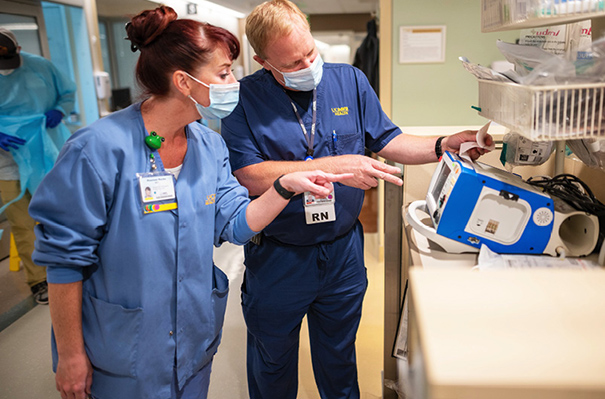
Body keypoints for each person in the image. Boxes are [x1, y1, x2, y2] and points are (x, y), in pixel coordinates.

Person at [27, 6, 351, 399]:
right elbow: (64, 262)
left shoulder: (208, 145)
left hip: (193, 341)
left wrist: (284, 186)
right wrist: (71, 354)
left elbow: (234, 222)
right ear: (184, 81)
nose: (234, 81)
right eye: (224, 72)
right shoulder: (97, 149)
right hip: (121, 349)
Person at [220, 1, 493, 398]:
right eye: (293, 63)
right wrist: (339, 164)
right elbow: (249, 175)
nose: (308, 65)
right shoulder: (242, 100)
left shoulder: (348, 80)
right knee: (272, 364)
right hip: (280, 257)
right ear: (264, 63)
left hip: (342, 252)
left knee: (339, 361)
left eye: (310, 52)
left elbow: (388, 140)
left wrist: (443, 144)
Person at [0, 27, 76, 305]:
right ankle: (39, 280)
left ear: (18, 50)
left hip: (47, 151)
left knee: (63, 213)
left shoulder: (41, 67)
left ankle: (72, 266)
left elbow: (67, 92)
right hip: (6, 162)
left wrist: (61, 109)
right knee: (22, 224)